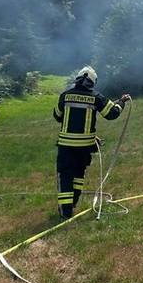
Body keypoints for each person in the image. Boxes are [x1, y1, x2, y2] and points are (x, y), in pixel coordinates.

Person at [53, 66, 131, 219]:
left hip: (66, 147)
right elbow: (112, 113)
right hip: (84, 147)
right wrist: (121, 102)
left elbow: (57, 115)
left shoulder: (65, 96)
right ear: (92, 82)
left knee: (66, 177)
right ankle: (74, 202)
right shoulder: (96, 97)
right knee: (78, 176)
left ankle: (65, 212)